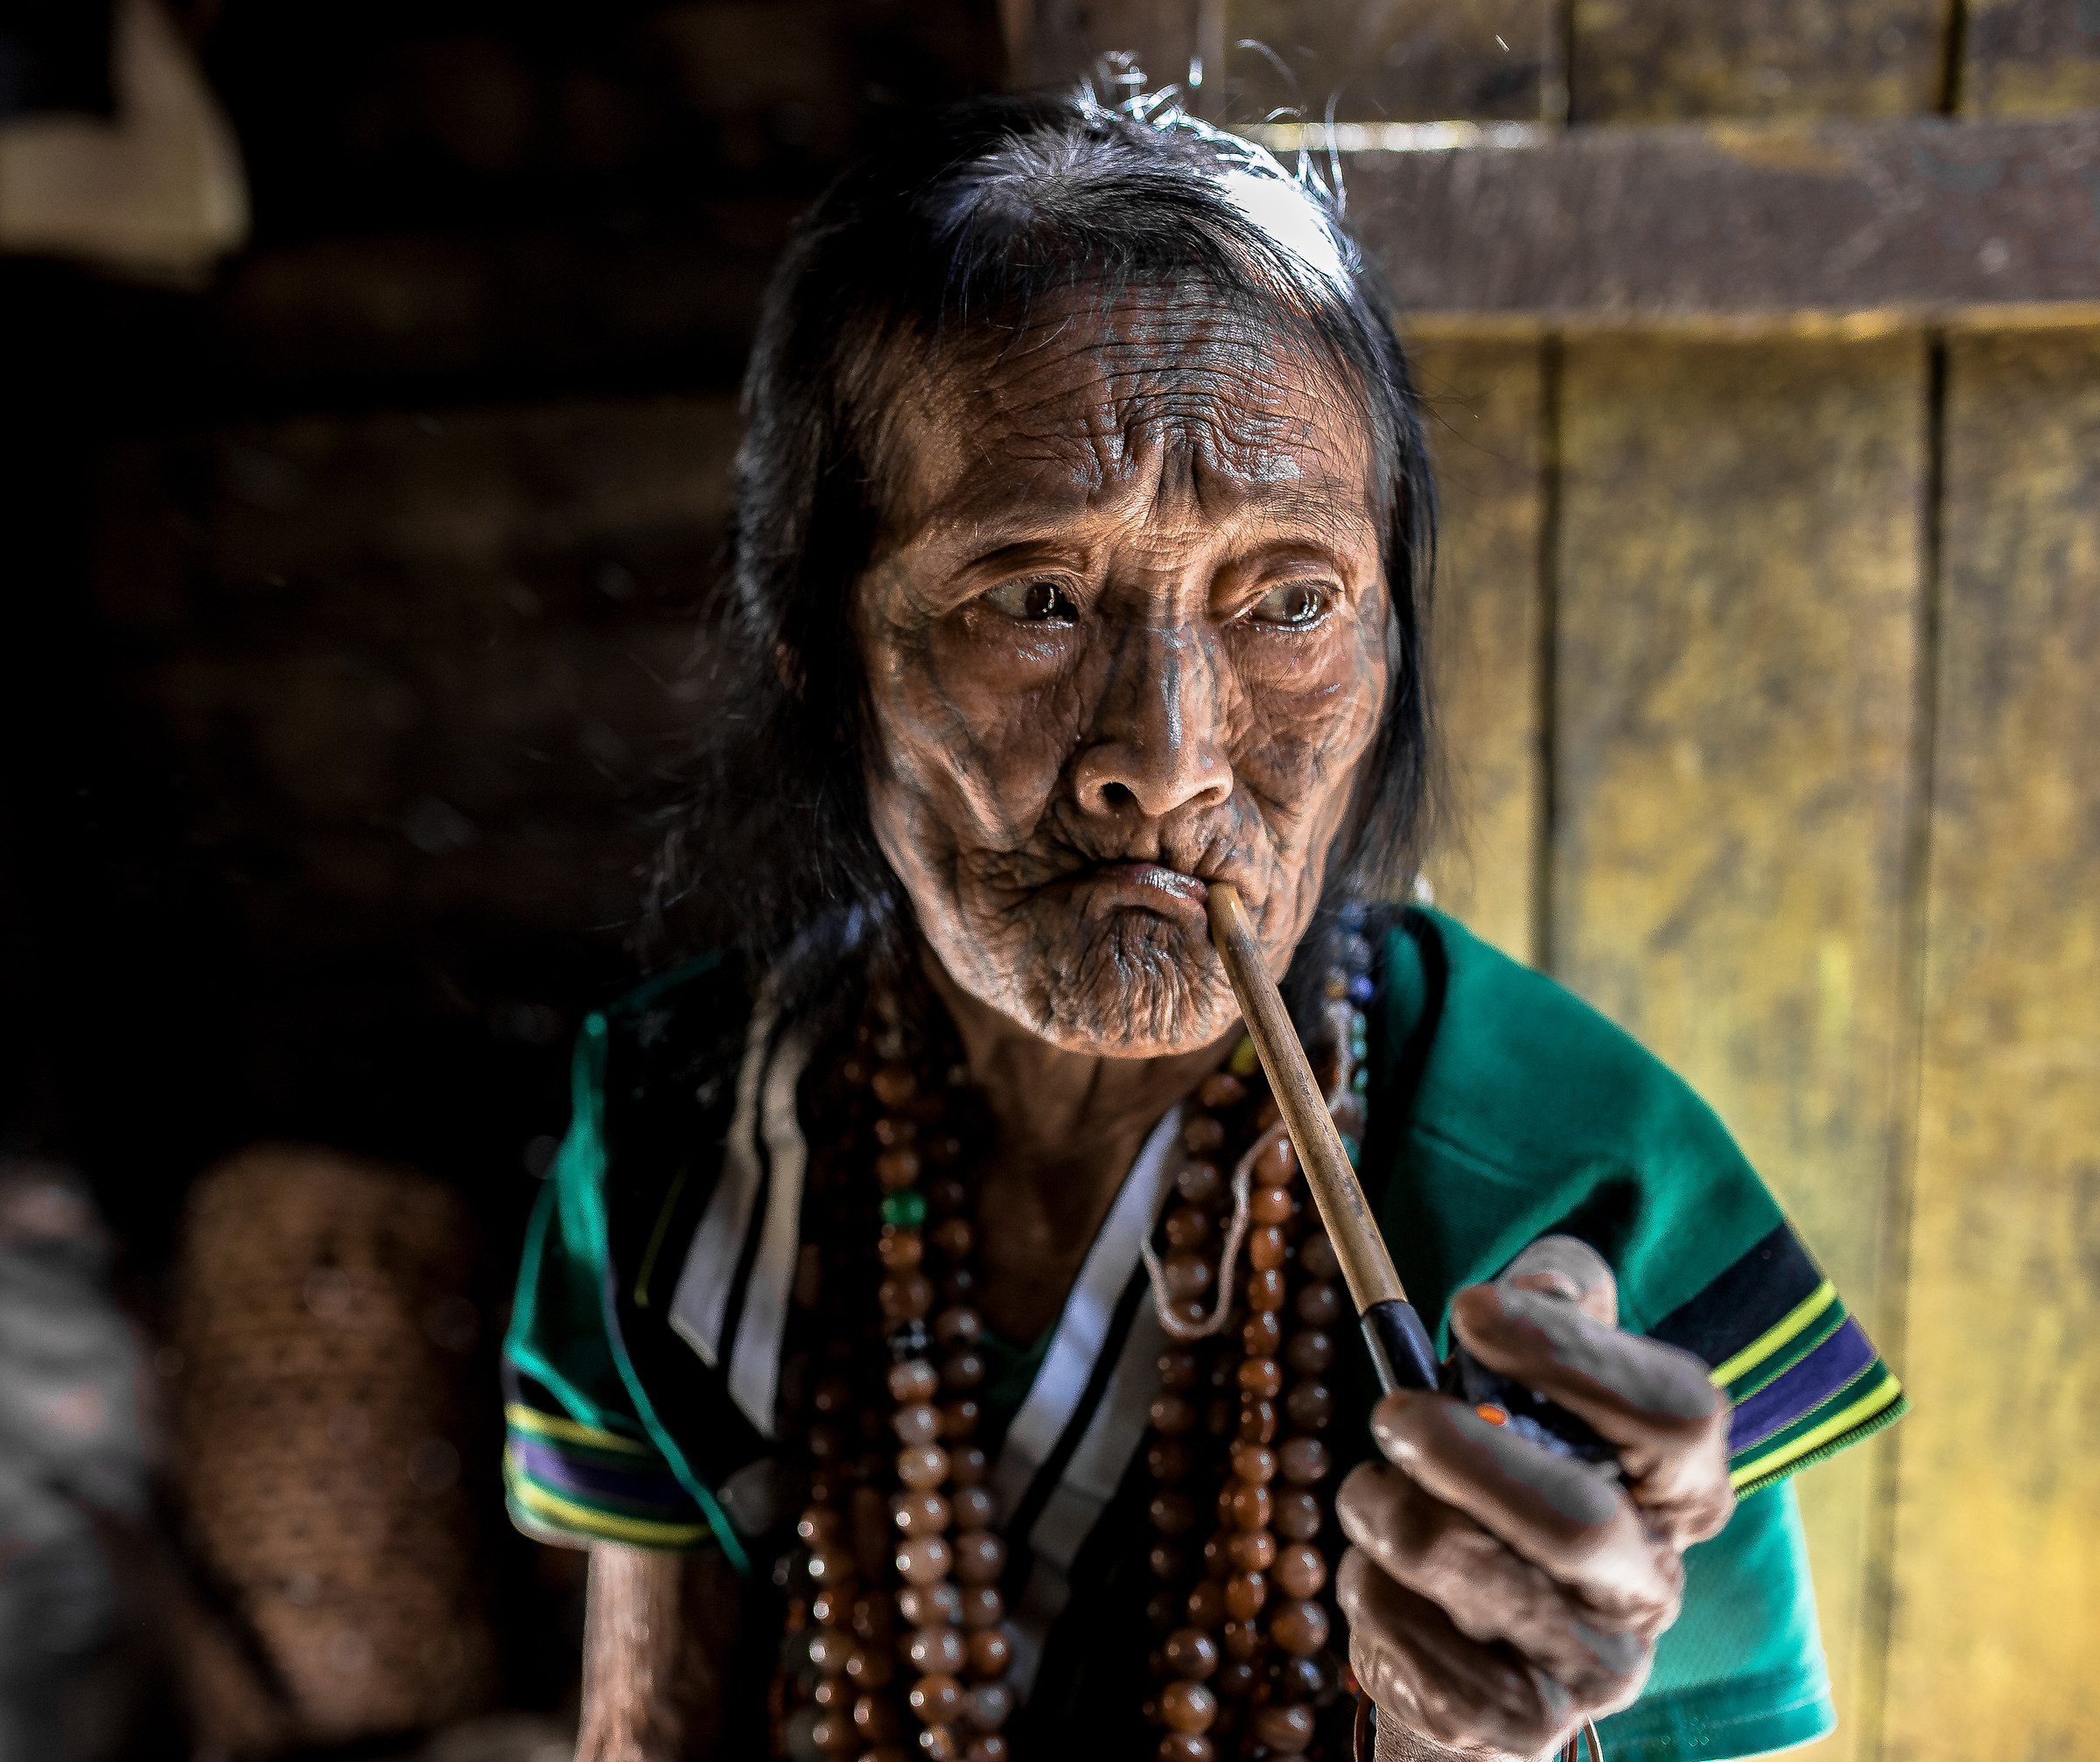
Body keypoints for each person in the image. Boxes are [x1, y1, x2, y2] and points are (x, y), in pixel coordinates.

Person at [499, 85, 1905, 1762]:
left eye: (1291, 601)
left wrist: (1467, 1730)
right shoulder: (683, 1132)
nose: (1165, 761)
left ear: (1388, 644)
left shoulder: (1587, 1189)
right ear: (823, 638)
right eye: (1034, 597)